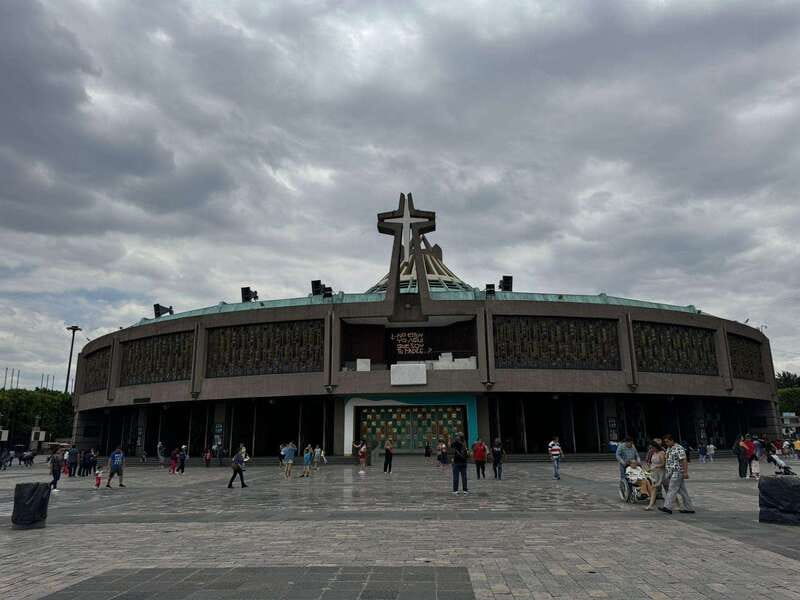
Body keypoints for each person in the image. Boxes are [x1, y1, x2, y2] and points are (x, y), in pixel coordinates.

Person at [658, 434, 694, 515]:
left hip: (677, 471)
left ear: (672, 440)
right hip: (671, 472)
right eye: (665, 442)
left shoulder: (679, 448)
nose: (666, 443)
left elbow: (684, 460)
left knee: (671, 489)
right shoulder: (669, 448)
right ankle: (689, 508)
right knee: (683, 491)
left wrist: (685, 472)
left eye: (667, 441)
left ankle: (667, 507)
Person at [645, 441, 666, 510]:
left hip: (661, 473)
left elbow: (663, 463)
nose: (651, 449)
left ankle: (678, 504)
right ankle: (650, 505)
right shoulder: (653, 453)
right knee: (654, 488)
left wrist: (656, 466)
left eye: (652, 448)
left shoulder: (662, 453)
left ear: (655, 447)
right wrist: (650, 469)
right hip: (654, 473)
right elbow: (651, 462)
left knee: (668, 489)